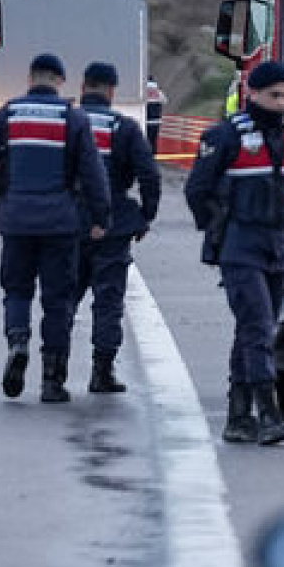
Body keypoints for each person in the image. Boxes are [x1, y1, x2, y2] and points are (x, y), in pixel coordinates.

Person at [0, 53, 111, 403]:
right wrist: (101, 218)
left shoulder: (8, 114)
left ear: (30, 78)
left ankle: (18, 341)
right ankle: (52, 381)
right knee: (57, 300)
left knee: (17, 290)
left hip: (16, 220)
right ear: (60, 81)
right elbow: (93, 174)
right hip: (59, 223)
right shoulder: (72, 117)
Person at [186, 60, 284, 445]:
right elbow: (197, 190)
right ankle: (268, 413)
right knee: (257, 326)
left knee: (256, 328)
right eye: (273, 96)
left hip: (278, 247)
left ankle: (238, 416)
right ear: (252, 93)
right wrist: (218, 230)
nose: (281, 103)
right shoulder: (225, 136)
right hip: (241, 246)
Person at [73, 61, 161, 393]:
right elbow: (149, 175)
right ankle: (102, 371)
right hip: (113, 223)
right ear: (111, 91)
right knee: (108, 300)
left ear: (83, 87)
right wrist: (145, 216)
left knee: (63, 298)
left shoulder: (67, 123)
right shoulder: (124, 128)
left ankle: (53, 374)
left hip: (69, 222)